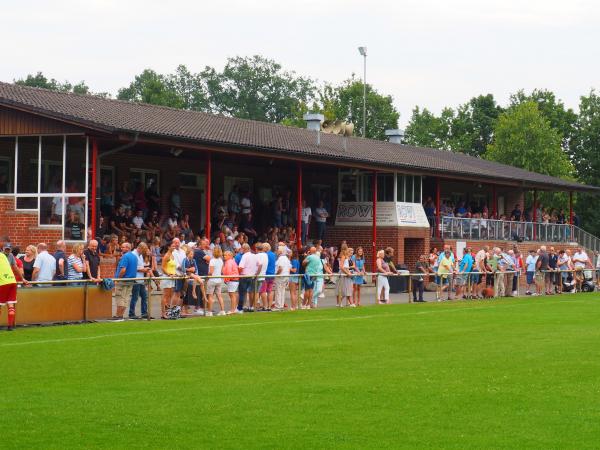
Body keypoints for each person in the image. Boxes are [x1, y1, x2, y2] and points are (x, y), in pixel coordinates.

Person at [0, 238, 27, 330]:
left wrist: (22, 278)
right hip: (12, 281)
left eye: (8, 249)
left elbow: (15, 267)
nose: (7, 250)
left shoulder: (5, 256)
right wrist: (23, 279)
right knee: (11, 304)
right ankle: (10, 326)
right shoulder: (9, 256)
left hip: (3, 282)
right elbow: (15, 267)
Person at [113, 242, 138, 319]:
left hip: (123, 280)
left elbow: (123, 270)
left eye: (123, 247)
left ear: (128, 248)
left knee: (120, 297)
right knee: (126, 298)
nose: (121, 248)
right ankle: (121, 315)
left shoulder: (125, 256)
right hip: (131, 280)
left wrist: (118, 279)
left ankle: (118, 315)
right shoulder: (135, 257)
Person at [129, 243, 151, 319]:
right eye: (144, 250)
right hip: (135, 279)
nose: (144, 252)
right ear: (140, 248)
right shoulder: (133, 254)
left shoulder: (140, 255)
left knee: (144, 297)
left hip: (141, 279)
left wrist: (144, 269)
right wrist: (143, 270)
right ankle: (131, 314)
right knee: (135, 297)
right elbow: (132, 267)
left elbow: (139, 266)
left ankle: (144, 313)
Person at [237, 243, 260, 312]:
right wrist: (256, 273)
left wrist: (238, 273)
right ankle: (251, 307)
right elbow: (259, 265)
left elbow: (241, 267)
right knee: (251, 292)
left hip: (244, 276)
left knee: (242, 293)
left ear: (244, 249)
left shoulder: (244, 256)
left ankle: (240, 308)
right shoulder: (254, 255)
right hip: (252, 276)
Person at [205, 246, 225, 316]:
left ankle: (209, 312)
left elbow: (211, 272)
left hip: (212, 280)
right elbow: (222, 271)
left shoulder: (212, 260)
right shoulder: (221, 260)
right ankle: (222, 311)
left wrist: (207, 277)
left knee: (210, 296)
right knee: (219, 296)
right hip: (219, 280)